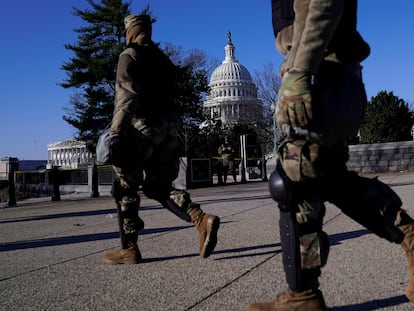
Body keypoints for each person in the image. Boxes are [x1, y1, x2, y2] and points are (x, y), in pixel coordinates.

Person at [247, 0, 414, 310]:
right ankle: (410, 237)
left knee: (295, 187)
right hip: (335, 79)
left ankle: (303, 295)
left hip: (318, 76)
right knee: (332, 181)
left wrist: (298, 72)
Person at [102, 14, 220, 264]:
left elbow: (126, 95)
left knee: (124, 187)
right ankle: (199, 218)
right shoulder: (163, 60)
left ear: (130, 31)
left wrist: (115, 133)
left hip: (142, 126)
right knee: (158, 186)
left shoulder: (129, 55)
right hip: (169, 128)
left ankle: (129, 248)